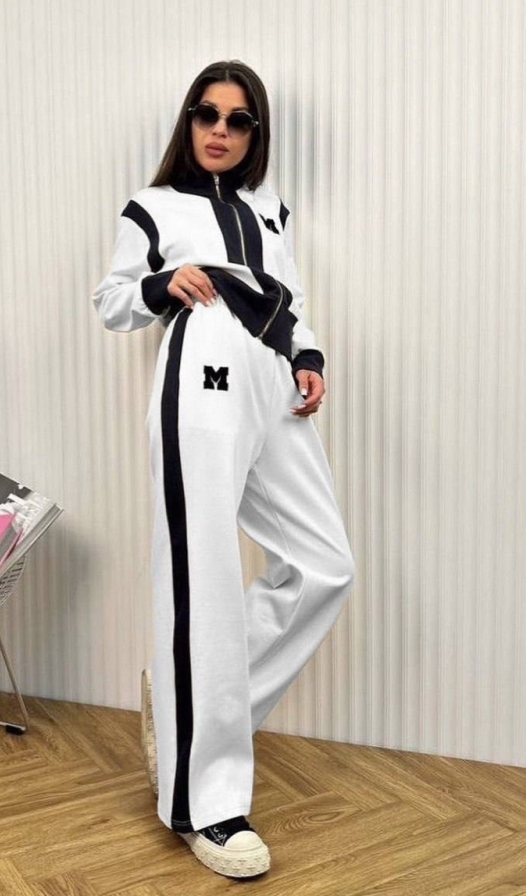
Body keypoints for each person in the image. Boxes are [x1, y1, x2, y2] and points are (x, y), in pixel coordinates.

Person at [92, 60, 354, 880]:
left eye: (238, 120)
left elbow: (290, 295)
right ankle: (205, 805)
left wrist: (305, 356)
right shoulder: (152, 206)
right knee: (200, 570)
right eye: (206, 114)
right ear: (189, 121)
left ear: (253, 133)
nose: (219, 130)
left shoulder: (270, 208)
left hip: (270, 375)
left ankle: (185, 704)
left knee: (324, 565)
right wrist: (160, 281)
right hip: (198, 364)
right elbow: (110, 301)